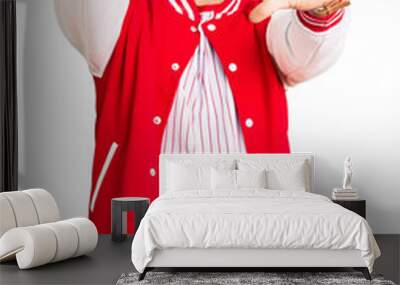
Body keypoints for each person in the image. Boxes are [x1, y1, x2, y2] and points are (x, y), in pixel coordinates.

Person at [55, 0, 350, 233]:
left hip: (252, 229)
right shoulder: (122, 13)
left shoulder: (265, 11)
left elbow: (308, 53)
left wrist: (319, 11)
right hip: (138, 232)